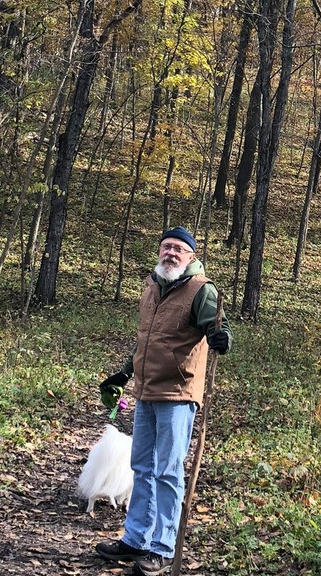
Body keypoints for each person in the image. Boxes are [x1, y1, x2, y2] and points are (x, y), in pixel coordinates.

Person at [95, 226, 231, 576]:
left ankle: (162, 547)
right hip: (146, 390)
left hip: (178, 393)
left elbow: (219, 328)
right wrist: (125, 374)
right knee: (141, 466)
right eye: (166, 247)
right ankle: (136, 539)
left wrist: (221, 338)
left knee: (167, 471)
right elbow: (146, 339)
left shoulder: (202, 291)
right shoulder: (153, 285)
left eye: (178, 249)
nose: (170, 253)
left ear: (191, 256)